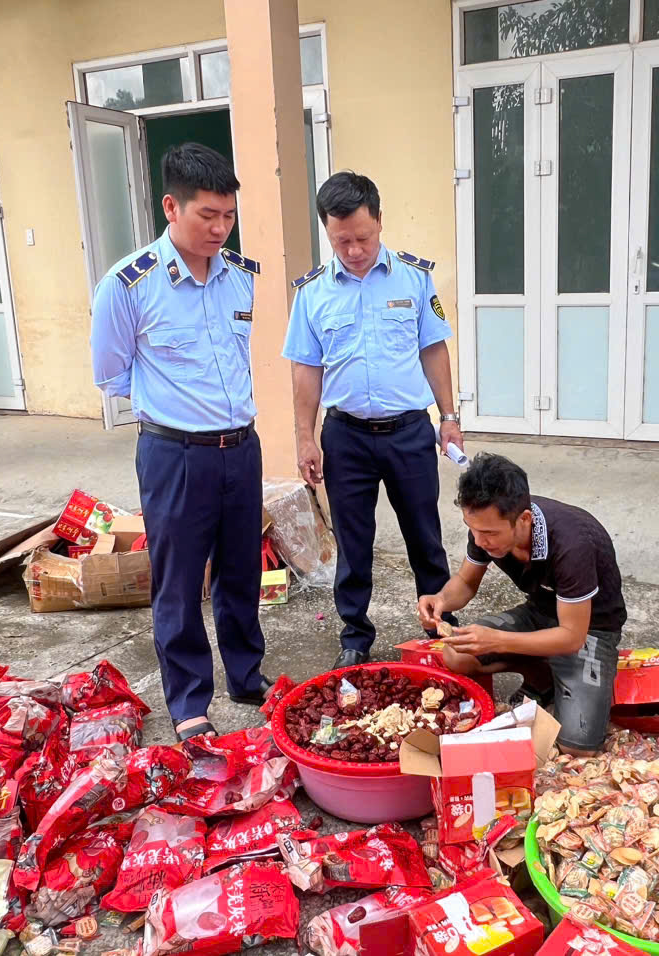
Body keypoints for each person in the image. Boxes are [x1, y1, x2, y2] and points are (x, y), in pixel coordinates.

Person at [90, 142, 270, 742]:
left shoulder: (242, 278)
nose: (220, 229)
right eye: (206, 216)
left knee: (242, 570)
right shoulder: (128, 284)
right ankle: (190, 702)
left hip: (241, 448)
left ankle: (247, 675)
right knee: (179, 579)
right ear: (171, 207)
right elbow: (113, 373)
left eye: (228, 216)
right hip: (175, 454)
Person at [282, 171, 463, 670]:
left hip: (408, 431)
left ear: (379, 222)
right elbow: (306, 371)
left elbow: (433, 349)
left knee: (425, 538)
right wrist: (306, 438)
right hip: (346, 437)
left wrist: (448, 417)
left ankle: (438, 628)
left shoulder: (414, 278)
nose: (355, 250)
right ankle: (355, 636)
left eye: (363, 237)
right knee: (353, 543)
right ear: (328, 233)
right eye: (342, 241)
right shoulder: (312, 293)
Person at [418, 453, 626, 756]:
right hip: (541, 612)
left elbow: (572, 636)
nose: (480, 540)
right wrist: (440, 600)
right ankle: (542, 674)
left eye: (489, 533)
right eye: (472, 529)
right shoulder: (485, 524)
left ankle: (559, 672)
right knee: (455, 653)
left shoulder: (572, 543)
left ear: (524, 520)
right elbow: (464, 583)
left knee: (576, 746)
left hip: (591, 628)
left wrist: (498, 640)